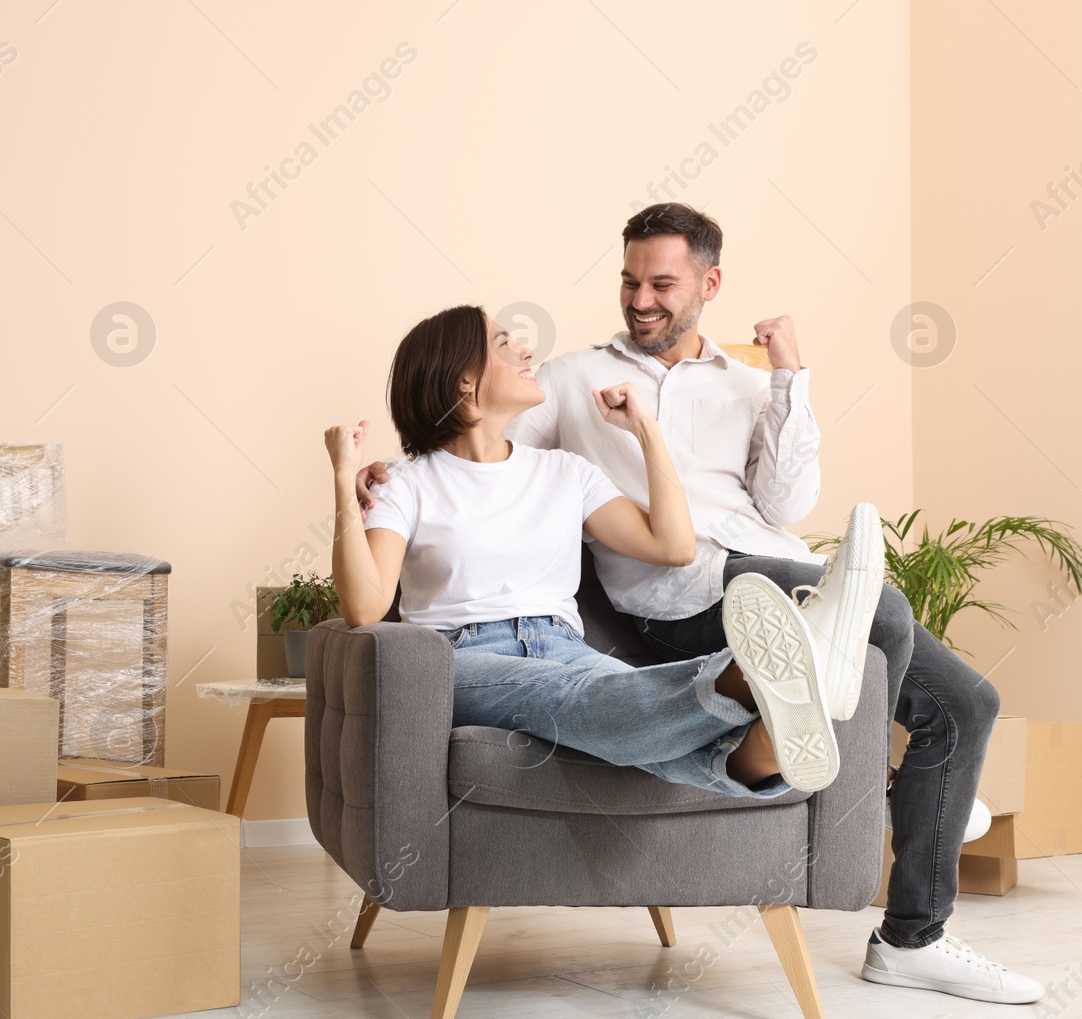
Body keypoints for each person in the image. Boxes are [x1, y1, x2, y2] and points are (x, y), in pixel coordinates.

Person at [356, 204, 1039, 1004]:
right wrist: (380, 481)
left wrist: (789, 378)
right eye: (629, 281)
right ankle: (874, 781)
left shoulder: (750, 386)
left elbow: (787, 499)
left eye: (662, 284)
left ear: (709, 284)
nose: (641, 299)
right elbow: (470, 437)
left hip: (772, 569)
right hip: (683, 599)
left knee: (968, 704)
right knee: (877, 609)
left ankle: (911, 939)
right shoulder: (573, 379)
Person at [325, 303, 881, 804]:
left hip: (563, 646)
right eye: (502, 343)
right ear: (465, 382)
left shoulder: (566, 472)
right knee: (573, 696)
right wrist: (343, 481)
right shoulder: (406, 483)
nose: (525, 350)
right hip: (462, 658)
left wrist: (646, 431)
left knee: (598, 709)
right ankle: (745, 677)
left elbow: (674, 546)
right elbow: (365, 609)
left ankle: (761, 750)